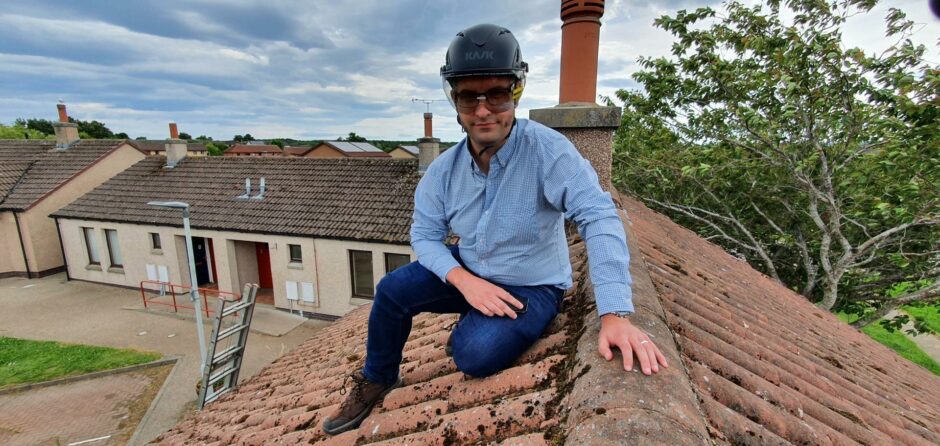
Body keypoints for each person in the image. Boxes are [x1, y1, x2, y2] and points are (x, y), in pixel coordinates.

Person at [323, 23, 667, 435]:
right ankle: (378, 376)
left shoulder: (549, 151)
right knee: (392, 290)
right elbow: (424, 237)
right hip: (469, 268)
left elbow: (598, 216)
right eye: (470, 96)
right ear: (455, 100)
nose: (483, 110)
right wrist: (465, 283)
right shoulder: (443, 170)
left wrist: (615, 314)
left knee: (474, 354)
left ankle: (487, 323)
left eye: (497, 95)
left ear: (516, 93)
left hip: (533, 285)